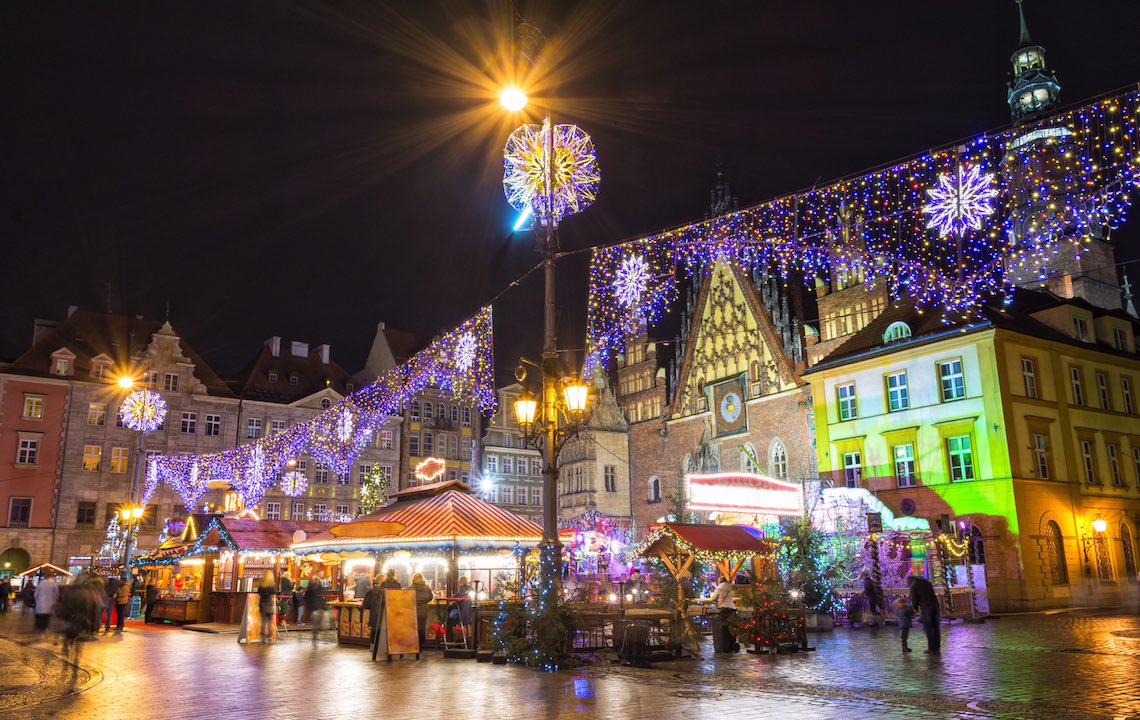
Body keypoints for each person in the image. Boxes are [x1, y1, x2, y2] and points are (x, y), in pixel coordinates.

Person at [907, 575, 941, 653]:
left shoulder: (913, 586)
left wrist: (916, 609)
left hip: (926, 607)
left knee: (928, 628)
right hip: (935, 605)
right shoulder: (927, 583)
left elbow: (914, 599)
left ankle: (931, 648)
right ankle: (937, 646)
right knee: (935, 627)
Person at [711, 575, 739, 653]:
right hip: (732, 609)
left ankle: (724, 646)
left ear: (719, 581)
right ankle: (731, 645)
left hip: (724, 610)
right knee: (731, 629)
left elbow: (713, 598)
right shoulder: (731, 586)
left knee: (724, 629)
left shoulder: (719, 587)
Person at [411, 572, 433, 646]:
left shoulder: (411, 587)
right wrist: (425, 601)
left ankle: (414, 645)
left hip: (413, 608)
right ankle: (421, 645)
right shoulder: (426, 587)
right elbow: (431, 597)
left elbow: (407, 597)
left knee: (413, 626)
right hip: (424, 608)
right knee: (422, 626)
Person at [305, 574, 326, 645]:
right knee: (318, 623)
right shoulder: (321, 586)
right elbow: (323, 595)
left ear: (313, 579)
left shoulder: (310, 585)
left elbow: (306, 596)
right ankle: (316, 635)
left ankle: (314, 638)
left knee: (314, 624)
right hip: (320, 606)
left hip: (313, 606)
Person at [257, 571, 277, 643]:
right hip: (270, 604)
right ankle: (270, 637)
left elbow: (259, 592)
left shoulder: (261, 584)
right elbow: (275, 592)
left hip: (263, 604)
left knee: (263, 621)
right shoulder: (272, 585)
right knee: (269, 622)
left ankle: (263, 638)